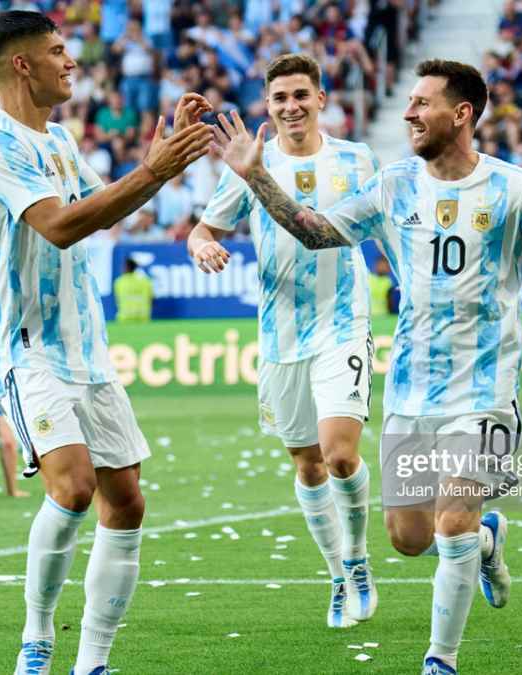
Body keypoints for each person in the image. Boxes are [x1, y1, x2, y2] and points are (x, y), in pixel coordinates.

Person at [213, 59, 522, 674]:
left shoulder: (513, 186)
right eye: (411, 101)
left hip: (485, 389)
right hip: (412, 392)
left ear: (462, 114)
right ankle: (488, 539)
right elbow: (315, 232)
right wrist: (258, 179)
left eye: (422, 103)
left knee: (450, 521)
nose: (409, 112)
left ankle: (439, 661)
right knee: (408, 538)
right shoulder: (394, 185)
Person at [0, 12, 212, 675]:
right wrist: (152, 173)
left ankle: (92, 661)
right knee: (73, 487)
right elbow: (61, 226)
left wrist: (158, 159)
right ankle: (37, 637)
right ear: (23, 65)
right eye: (58, 51)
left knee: (126, 498)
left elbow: (94, 208)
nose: (71, 61)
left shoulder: (62, 140)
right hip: (26, 347)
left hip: (86, 347)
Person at [188, 52, 380, 630]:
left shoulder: (356, 159)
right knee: (307, 464)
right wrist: (201, 246)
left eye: (301, 95)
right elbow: (204, 227)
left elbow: (374, 227)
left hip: (343, 322)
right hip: (281, 335)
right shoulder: (249, 162)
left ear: (322, 98)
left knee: (340, 453)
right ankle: (338, 574)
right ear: (268, 107)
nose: (291, 106)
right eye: (279, 99)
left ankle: (360, 560)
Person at [113, 258, 153, 322]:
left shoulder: (119, 281)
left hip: (125, 318)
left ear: (126, 267)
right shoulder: (145, 280)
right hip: (143, 318)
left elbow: (117, 299)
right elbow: (151, 298)